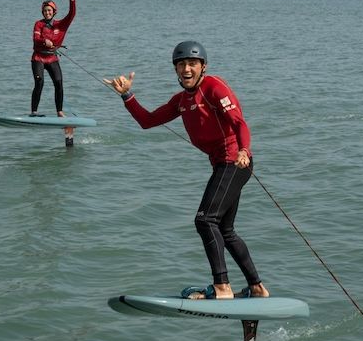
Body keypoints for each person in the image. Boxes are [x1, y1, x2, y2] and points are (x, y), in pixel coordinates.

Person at [104, 41, 269, 300]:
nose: (186, 69)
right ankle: (257, 287)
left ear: (203, 67)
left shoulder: (214, 87)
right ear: (176, 70)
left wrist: (244, 151)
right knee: (225, 230)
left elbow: (239, 123)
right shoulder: (182, 100)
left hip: (234, 162)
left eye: (192, 63)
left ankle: (222, 287)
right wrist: (127, 95)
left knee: (205, 220)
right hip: (222, 165)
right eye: (181, 65)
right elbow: (147, 121)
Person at [31, 0, 77, 144]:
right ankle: (34, 112)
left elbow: (71, 15)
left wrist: (72, 1)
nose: (47, 13)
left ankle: (59, 112)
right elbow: (36, 38)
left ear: (54, 12)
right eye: (45, 11)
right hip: (38, 57)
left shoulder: (60, 25)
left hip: (51, 58)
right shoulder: (39, 24)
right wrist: (45, 41)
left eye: (49, 10)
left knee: (59, 82)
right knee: (39, 82)